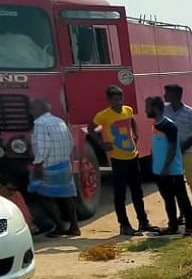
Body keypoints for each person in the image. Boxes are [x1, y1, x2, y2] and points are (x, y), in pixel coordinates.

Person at [92, 86, 158, 236]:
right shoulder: (103, 116)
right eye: (115, 100)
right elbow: (91, 128)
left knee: (137, 191)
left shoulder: (127, 110)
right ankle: (124, 224)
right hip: (118, 158)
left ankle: (143, 221)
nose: (119, 102)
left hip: (132, 156)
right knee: (120, 193)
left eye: (121, 99)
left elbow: (132, 122)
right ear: (109, 100)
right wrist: (101, 143)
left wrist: (136, 135)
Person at [28, 98, 80, 238]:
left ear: (40, 109)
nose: (30, 111)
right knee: (67, 196)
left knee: (44, 195)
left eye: (32, 108)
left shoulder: (40, 124)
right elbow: (70, 142)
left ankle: (59, 226)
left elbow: (42, 146)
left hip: (49, 166)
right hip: (64, 164)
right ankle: (74, 226)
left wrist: (38, 164)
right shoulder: (59, 121)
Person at [145, 96, 192, 236]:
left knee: (182, 199)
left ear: (155, 108)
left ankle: (190, 228)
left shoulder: (169, 125)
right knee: (168, 199)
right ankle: (172, 226)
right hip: (160, 171)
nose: (145, 110)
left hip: (172, 171)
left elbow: (173, 148)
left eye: (147, 107)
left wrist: (166, 167)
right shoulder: (156, 124)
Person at [162, 84, 192, 221]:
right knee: (177, 184)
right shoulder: (164, 111)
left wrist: (182, 147)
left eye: (167, 93)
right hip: (171, 153)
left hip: (188, 152)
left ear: (176, 95)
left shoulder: (190, 112)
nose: (164, 95)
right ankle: (182, 213)